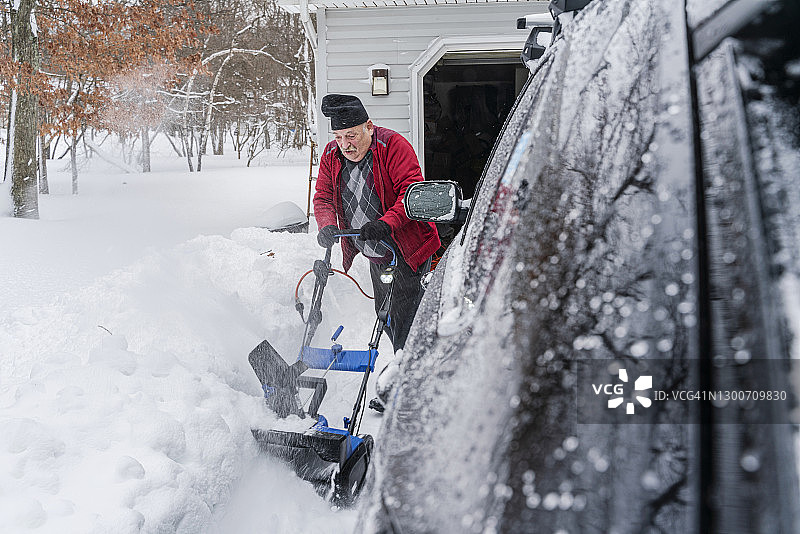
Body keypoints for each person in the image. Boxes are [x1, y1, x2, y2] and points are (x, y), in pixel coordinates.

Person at [314, 94, 440, 409]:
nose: (345, 144)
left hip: (407, 249)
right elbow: (323, 197)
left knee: (407, 319)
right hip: (376, 253)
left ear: (369, 127)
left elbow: (411, 193)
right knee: (386, 319)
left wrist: (386, 223)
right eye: (339, 137)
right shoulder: (331, 155)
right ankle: (407, 376)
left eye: (352, 135)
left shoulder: (393, 146)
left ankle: (410, 389)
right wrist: (327, 226)